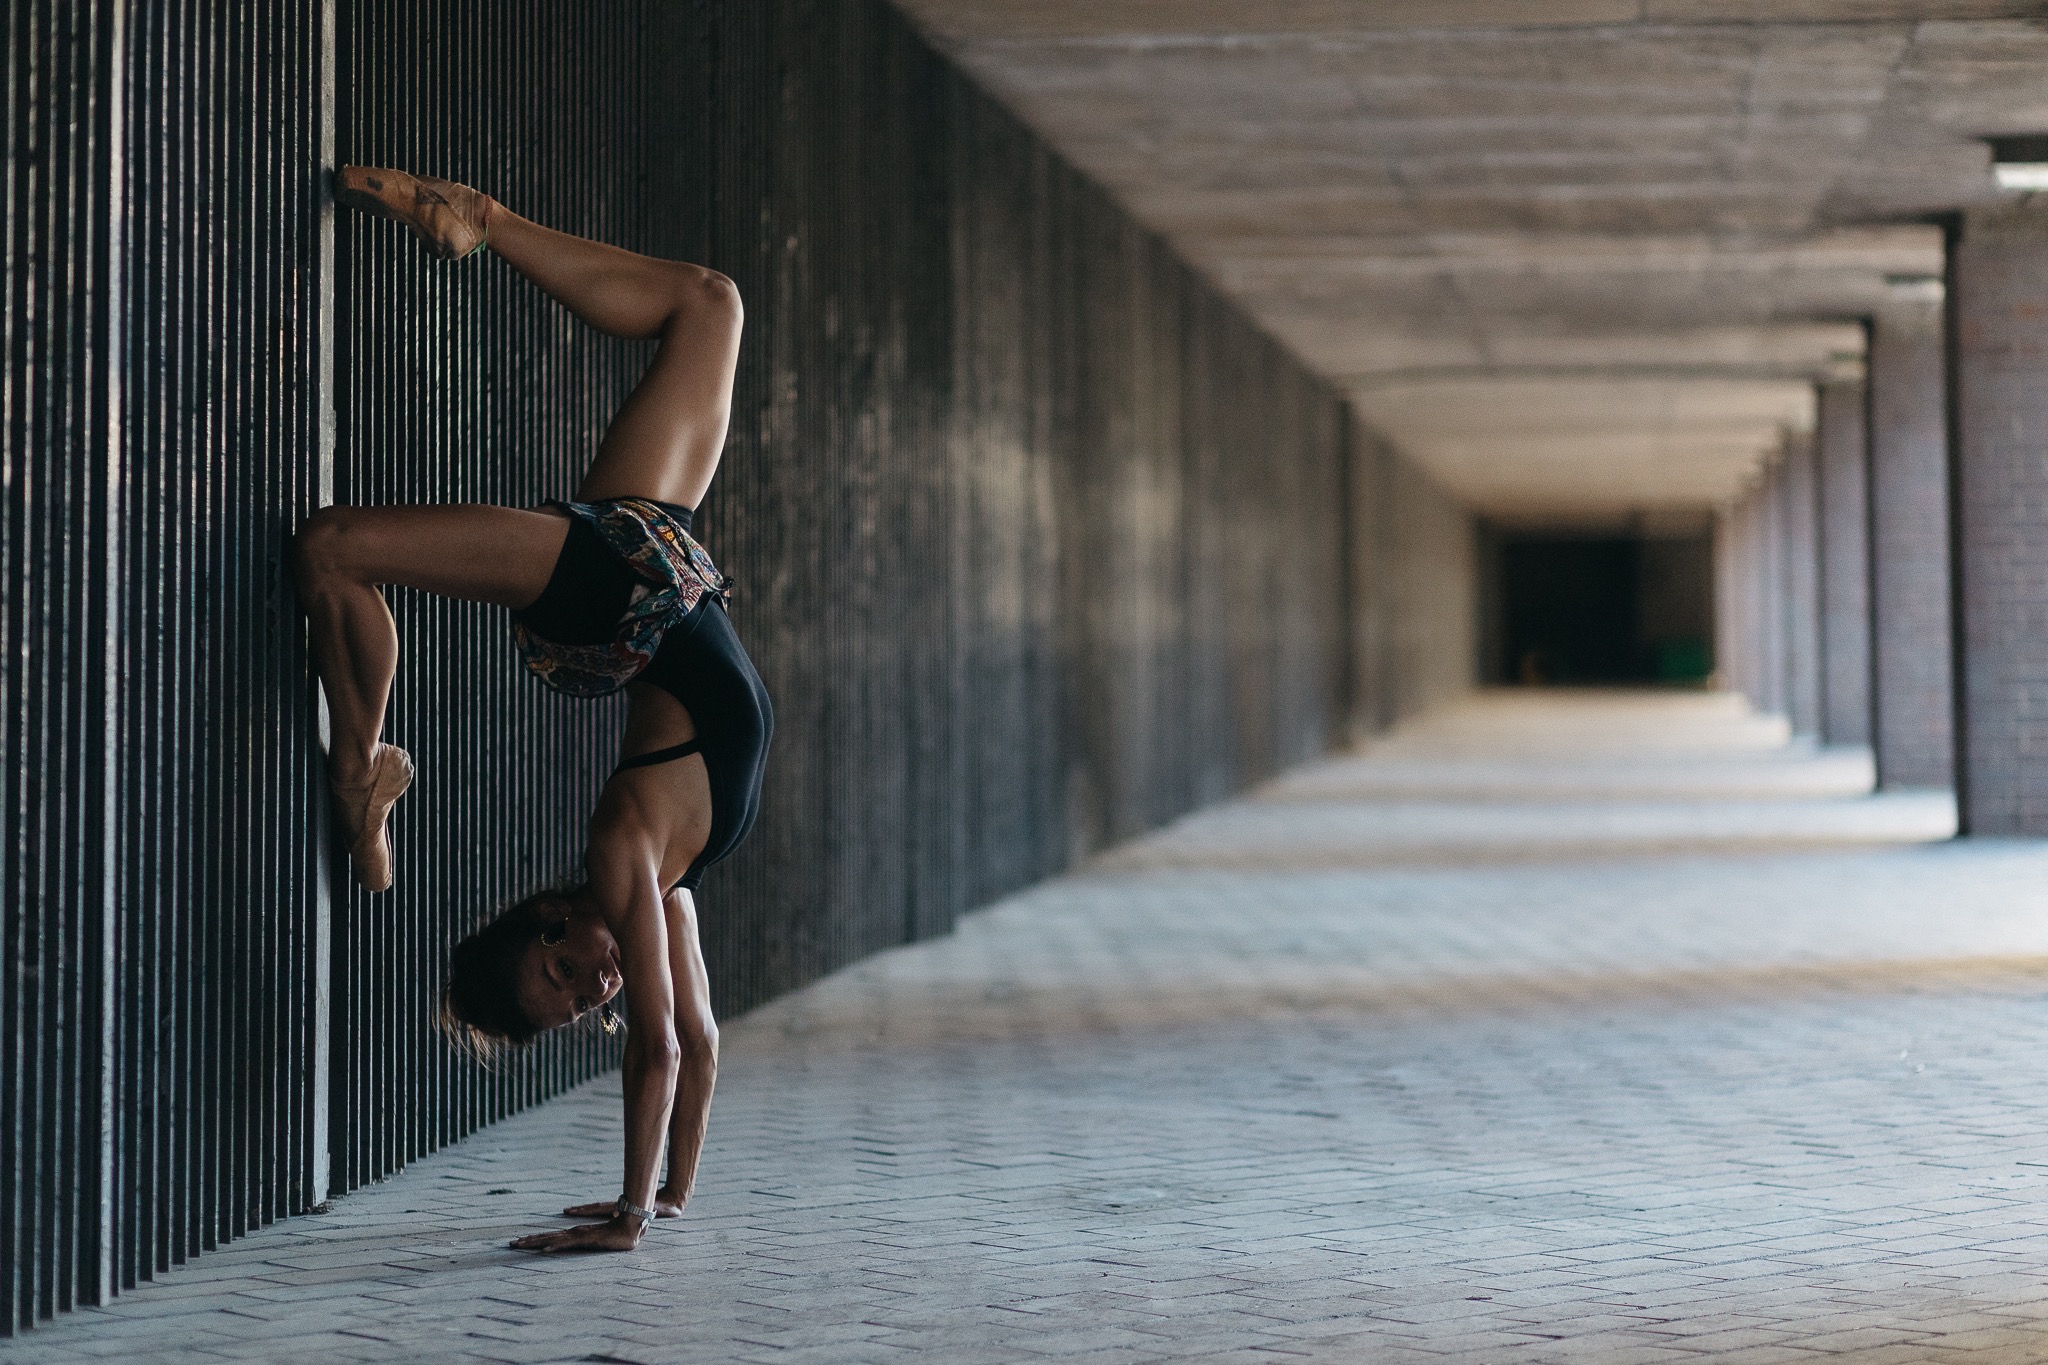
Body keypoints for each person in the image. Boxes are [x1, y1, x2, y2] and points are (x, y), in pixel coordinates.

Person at [295, 165, 772, 1253]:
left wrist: (628, 1218)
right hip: (659, 574)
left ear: (543, 920)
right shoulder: (666, 883)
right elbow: (695, 1045)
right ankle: (484, 221)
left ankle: (357, 766)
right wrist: (674, 1196)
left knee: (330, 547)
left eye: (563, 971)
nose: (598, 981)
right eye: (580, 1000)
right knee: (709, 302)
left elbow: (650, 1047)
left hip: (614, 591)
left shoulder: (623, 854)